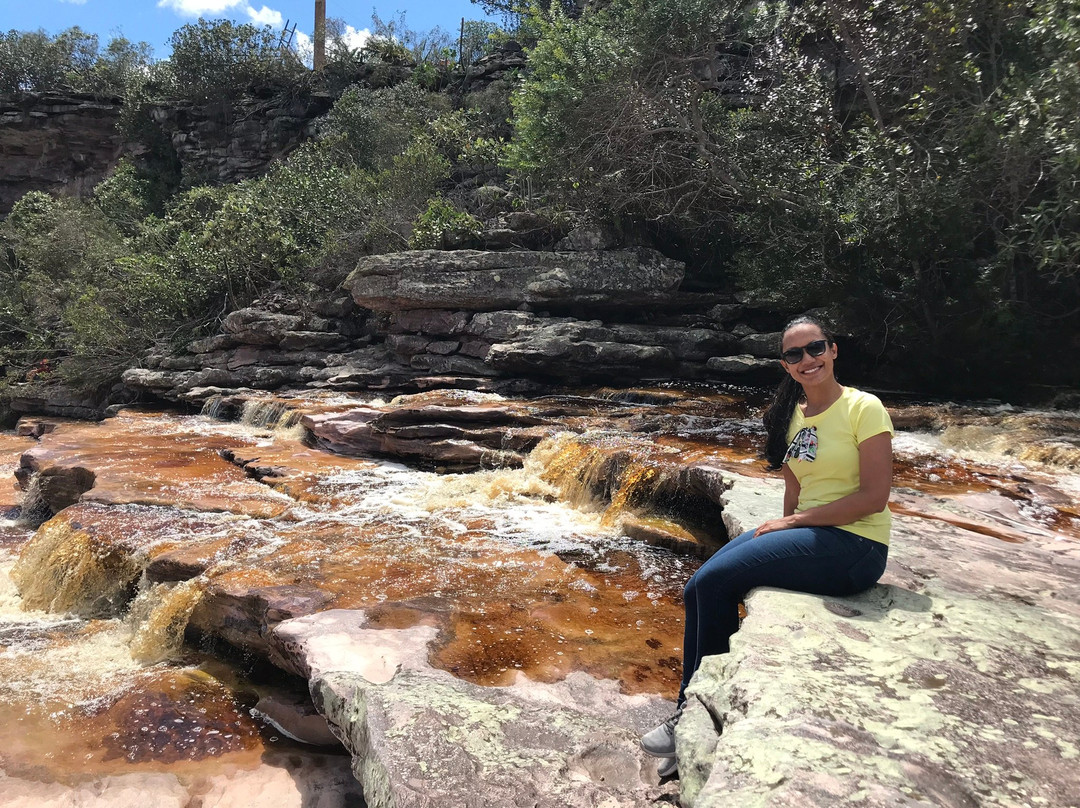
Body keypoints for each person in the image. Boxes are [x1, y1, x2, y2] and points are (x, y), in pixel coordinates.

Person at [640, 315, 893, 777]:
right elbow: (796, 480)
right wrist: (783, 521)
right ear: (785, 364)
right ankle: (691, 714)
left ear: (833, 350)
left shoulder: (864, 408)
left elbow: (873, 498)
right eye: (794, 355)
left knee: (715, 583)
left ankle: (688, 718)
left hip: (856, 545)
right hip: (811, 533)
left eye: (814, 349)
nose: (806, 361)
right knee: (700, 585)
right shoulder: (794, 413)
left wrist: (796, 521)